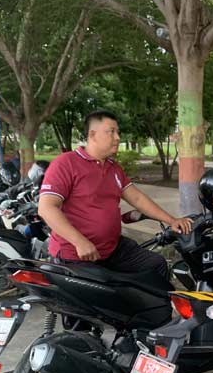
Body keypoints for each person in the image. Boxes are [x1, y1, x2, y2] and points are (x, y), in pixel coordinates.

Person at [38, 110, 192, 278]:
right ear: (92, 134)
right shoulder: (66, 163)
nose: (118, 137)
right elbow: (47, 208)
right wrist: (79, 242)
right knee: (106, 298)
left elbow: (137, 198)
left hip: (111, 249)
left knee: (156, 265)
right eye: (111, 132)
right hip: (76, 255)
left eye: (117, 132)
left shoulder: (114, 168)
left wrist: (172, 220)